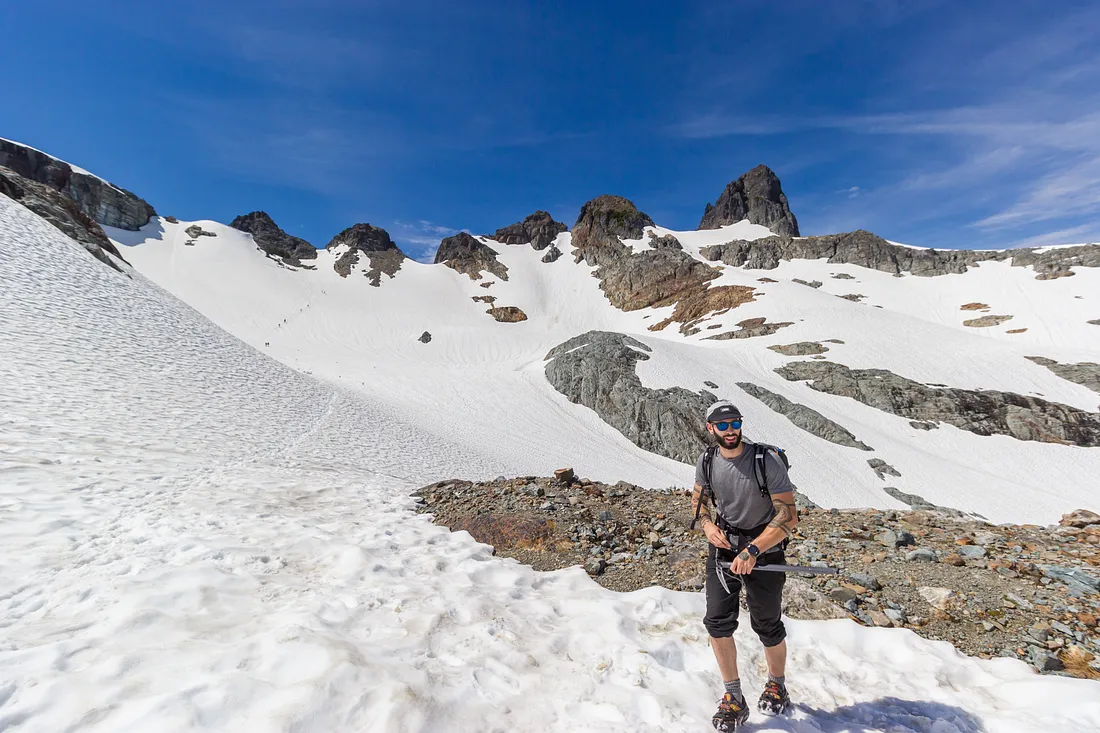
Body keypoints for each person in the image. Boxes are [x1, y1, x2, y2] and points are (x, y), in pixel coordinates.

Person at [691, 400, 799, 731]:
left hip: (763, 551)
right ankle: (733, 697)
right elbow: (698, 502)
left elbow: (788, 515)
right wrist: (709, 527)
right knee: (717, 623)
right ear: (710, 428)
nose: (729, 430)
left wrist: (753, 549)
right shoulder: (707, 461)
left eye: (734, 423)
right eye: (721, 425)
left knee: (767, 623)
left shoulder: (765, 460)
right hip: (723, 551)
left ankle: (777, 685)